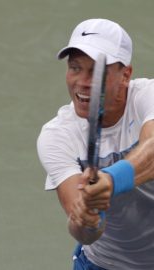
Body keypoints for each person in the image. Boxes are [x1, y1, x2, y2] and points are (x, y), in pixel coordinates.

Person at [37, 18, 154, 270]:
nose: (82, 81)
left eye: (96, 71)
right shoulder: (57, 136)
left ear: (126, 75)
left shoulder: (147, 97)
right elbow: (85, 233)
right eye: (75, 68)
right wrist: (86, 217)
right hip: (103, 264)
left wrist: (111, 181)